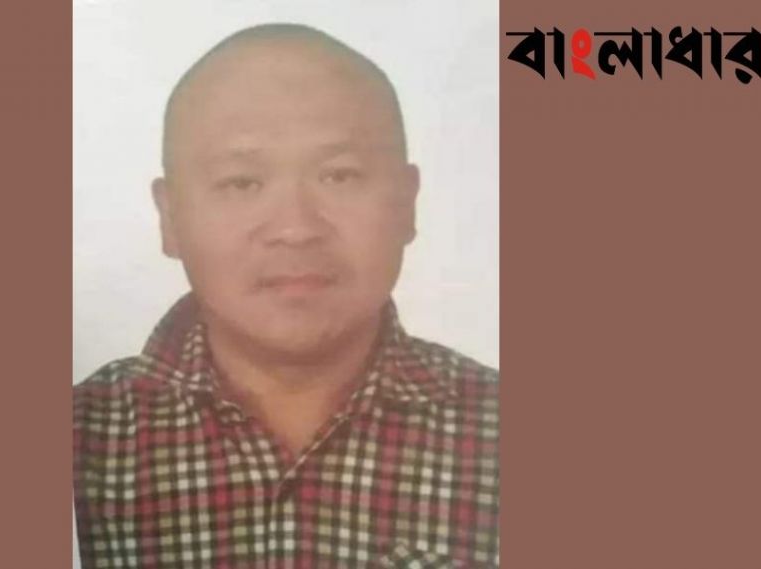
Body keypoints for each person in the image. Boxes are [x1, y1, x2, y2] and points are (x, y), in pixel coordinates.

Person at [74, 23, 498, 568]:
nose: (296, 228)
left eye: (340, 176)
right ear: (171, 217)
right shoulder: (82, 444)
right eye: (241, 182)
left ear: (407, 203)